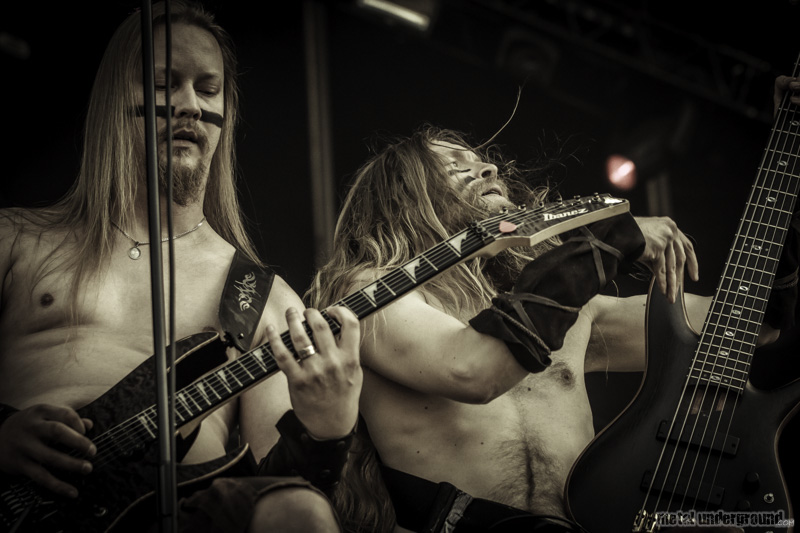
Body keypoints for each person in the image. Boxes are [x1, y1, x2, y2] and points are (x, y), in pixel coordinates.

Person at [307, 75, 800, 531]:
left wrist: (791, 163)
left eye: (480, 159)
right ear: (405, 195)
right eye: (455, 165)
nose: (487, 166)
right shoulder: (369, 293)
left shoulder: (571, 308)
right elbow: (472, 371)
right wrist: (607, 240)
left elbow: (748, 324)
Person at [0, 2, 361, 532]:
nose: (190, 105)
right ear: (113, 101)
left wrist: (327, 433)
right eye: (163, 84)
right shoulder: (14, 239)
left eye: (208, 89)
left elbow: (280, 485)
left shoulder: (261, 296)